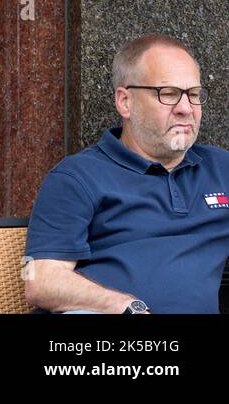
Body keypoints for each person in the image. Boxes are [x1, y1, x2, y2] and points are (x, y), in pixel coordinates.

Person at [24, 34, 229, 314]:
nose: (185, 109)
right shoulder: (76, 178)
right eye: (168, 94)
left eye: (194, 94)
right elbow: (39, 281)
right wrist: (122, 305)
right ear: (125, 102)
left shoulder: (220, 169)